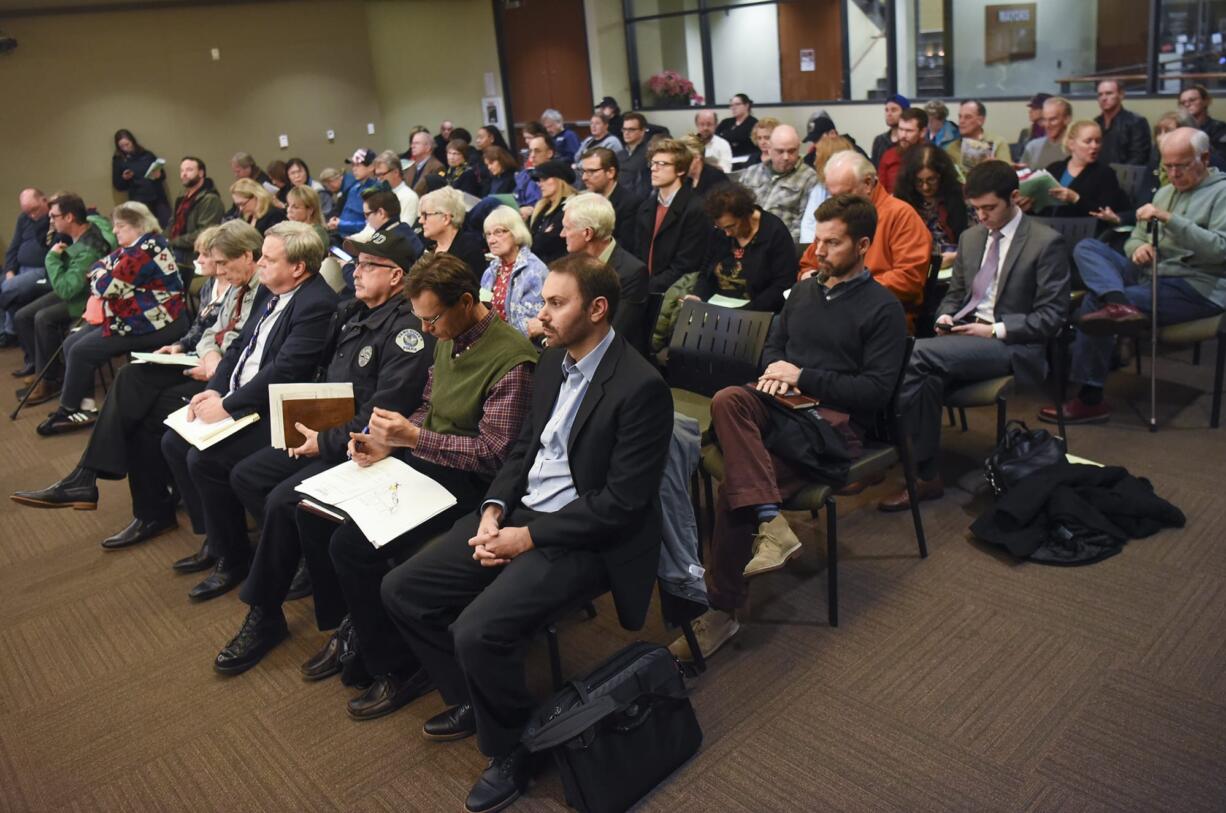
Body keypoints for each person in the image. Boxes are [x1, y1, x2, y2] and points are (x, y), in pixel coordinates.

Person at [384, 253, 673, 813]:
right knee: (402, 590)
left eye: (554, 303)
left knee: (475, 631)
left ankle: (513, 747)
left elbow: (621, 505)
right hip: (519, 511)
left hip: (583, 534)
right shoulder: (551, 362)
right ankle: (477, 697)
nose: (541, 314)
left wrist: (527, 539)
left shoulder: (640, 387)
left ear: (597, 308)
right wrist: (494, 509)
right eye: (542, 301)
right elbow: (523, 451)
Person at [302, 251, 537, 720]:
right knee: (321, 514)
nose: (427, 331)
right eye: (422, 320)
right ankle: (362, 631)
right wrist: (390, 442)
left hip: (474, 486)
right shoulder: (450, 334)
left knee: (352, 545)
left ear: (466, 302)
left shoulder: (512, 360)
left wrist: (414, 439)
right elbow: (429, 403)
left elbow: (495, 455)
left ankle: (399, 664)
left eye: (432, 320)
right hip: (433, 462)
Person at [673, 194, 907, 660]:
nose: (819, 251)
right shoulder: (802, 292)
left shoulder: (883, 309)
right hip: (779, 409)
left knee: (735, 493)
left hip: (831, 426)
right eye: (817, 240)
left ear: (863, 245)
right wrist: (776, 373)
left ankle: (723, 611)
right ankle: (772, 520)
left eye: (833, 243)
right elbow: (769, 351)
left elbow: (875, 393)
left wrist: (803, 377)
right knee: (730, 397)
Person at [211, 231, 435, 676]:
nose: (355, 270)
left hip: (366, 448)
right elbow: (319, 375)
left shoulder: (408, 330)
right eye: (356, 262)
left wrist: (326, 442)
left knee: (283, 501)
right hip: (328, 430)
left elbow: (384, 416)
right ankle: (306, 567)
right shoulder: (352, 311)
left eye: (368, 264)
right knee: (248, 474)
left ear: (396, 276)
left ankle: (269, 613)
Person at [10, 222, 262, 555]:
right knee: (130, 377)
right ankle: (87, 479)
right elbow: (209, 330)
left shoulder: (257, 287)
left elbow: (243, 344)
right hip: (205, 362)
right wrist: (195, 350)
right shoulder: (230, 283)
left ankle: (140, 507)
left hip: (226, 379)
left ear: (246, 256)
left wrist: (212, 361)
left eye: (218, 261)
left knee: (144, 414)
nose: (212, 267)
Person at [161, 221, 339, 601]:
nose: (258, 263)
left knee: (205, 460)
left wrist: (226, 406)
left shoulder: (317, 303)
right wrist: (212, 391)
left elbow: (287, 371)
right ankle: (216, 536)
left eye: (268, 258)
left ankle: (235, 557)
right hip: (243, 396)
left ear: (297, 268)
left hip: (280, 409)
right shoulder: (271, 290)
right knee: (174, 444)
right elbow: (240, 345)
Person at [881, 160, 1070, 510]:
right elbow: (956, 295)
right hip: (965, 337)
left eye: (989, 208)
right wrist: (945, 316)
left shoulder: (1046, 243)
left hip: (1011, 344)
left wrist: (994, 329)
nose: (981, 217)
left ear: (1014, 197)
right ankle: (925, 474)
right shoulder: (971, 238)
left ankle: (886, 455)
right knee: (924, 375)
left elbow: (1053, 317)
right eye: (975, 209)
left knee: (913, 354)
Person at [1044, 128, 1226, 426]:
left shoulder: (1221, 193)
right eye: (1167, 166)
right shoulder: (1166, 192)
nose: (1172, 174)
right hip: (1149, 275)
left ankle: (1090, 400)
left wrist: (1170, 219)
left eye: (1180, 165)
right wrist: (1138, 246)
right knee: (1089, 247)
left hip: (1196, 285)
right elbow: (1134, 237)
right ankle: (1118, 303)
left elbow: (1220, 250)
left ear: (1204, 158)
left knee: (1093, 302)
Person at [38, 202, 190, 436]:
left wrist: (103, 277)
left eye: (120, 226)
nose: (115, 231)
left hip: (158, 322)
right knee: (71, 343)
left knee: (80, 351)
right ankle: (85, 407)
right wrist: (104, 274)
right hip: (135, 315)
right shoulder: (134, 246)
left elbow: (105, 287)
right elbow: (98, 266)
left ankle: (68, 409)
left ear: (138, 226)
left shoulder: (146, 248)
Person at [799, 151, 930, 330]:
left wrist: (847, 288)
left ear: (868, 183)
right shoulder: (836, 216)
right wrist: (809, 276)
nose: (839, 201)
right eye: (833, 195)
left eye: (845, 193)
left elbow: (909, 279)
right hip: (828, 308)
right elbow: (808, 265)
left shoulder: (901, 215)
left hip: (879, 315)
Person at [13, 194, 116, 406]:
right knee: (22, 316)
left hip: (86, 301)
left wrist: (52, 258)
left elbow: (67, 290)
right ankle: (46, 369)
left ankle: (49, 381)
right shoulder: (87, 224)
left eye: (54, 216)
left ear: (69, 217)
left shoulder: (88, 249)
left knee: (43, 318)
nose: (51, 220)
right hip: (75, 292)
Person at [561, 192, 649, 350]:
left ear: (587, 233)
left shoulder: (632, 272)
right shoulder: (571, 263)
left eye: (567, 228)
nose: (562, 234)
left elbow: (613, 333)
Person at [690, 184, 796, 312]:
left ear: (746, 214)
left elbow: (783, 285)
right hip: (717, 305)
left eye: (731, 226)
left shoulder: (774, 232)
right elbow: (706, 272)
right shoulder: (719, 232)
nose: (727, 233)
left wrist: (744, 311)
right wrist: (697, 295)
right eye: (721, 227)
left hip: (757, 310)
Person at [635, 138, 711, 293]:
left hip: (675, 292)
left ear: (681, 170)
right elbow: (637, 254)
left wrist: (646, 288)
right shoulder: (646, 207)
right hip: (644, 288)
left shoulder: (697, 209)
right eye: (652, 163)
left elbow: (686, 265)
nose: (654, 169)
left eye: (662, 164)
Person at [1028, 120, 1128, 224]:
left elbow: (1104, 214)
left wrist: (1076, 199)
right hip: (1047, 228)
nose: (1094, 146)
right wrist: (1029, 207)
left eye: (1098, 141)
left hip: (1081, 231)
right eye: (1088, 141)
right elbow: (1042, 210)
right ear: (1071, 144)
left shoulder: (1105, 173)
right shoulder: (1054, 168)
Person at [893, 143, 969, 270]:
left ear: (942, 176)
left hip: (953, 266)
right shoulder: (901, 200)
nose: (925, 187)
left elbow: (978, 239)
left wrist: (957, 256)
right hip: (912, 267)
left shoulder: (961, 196)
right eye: (919, 181)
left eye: (931, 180)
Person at [740, 124, 819, 243]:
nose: (786, 157)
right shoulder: (751, 173)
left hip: (779, 244)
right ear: (769, 149)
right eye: (780, 151)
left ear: (798, 148)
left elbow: (804, 226)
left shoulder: (810, 178)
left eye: (792, 151)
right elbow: (735, 209)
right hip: (744, 240)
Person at [482, 205, 548, 340]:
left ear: (516, 232)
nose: (491, 240)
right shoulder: (490, 271)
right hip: (492, 343)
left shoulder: (534, 271)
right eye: (488, 234)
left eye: (498, 232)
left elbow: (529, 327)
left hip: (521, 348)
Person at [1, 189, 50, 352]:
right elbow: (13, 248)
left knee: (8, 288)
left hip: (41, 271)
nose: (32, 216)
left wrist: (11, 281)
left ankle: (10, 333)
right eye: (27, 212)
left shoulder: (53, 218)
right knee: (7, 284)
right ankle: (5, 334)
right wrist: (9, 272)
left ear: (44, 200)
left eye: (34, 210)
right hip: (21, 269)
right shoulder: (24, 218)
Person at [166, 156, 224, 272]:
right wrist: (162, 239)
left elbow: (204, 234)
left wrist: (172, 242)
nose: (184, 174)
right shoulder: (182, 197)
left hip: (193, 252)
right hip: (176, 246)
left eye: (189, 170)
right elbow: (172, 224)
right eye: (182, 171)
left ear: (201, 173)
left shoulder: (210, 199)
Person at [578, 146, 640, 252]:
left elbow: (624, 245)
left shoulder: (630, 203)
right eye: (583, 171)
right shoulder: (583, 200)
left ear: (611, 172)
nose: (584, 177)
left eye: (591, 171)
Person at [418, 186, 487, 280]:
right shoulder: (428, 246)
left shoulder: (469, 250)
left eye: (425, 215)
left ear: (446, 218)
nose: (420, 221)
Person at [798, 135, 853, 244]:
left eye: (818, 157)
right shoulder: (819, 188)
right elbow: (808, 224)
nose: (814, 163)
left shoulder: (851, 190)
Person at [111, 129, 170, 226]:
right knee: (147, 229)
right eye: (122, 146)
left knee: (167, 224)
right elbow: (118, 185)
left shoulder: (147, 154)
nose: (125, 148)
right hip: (139, 200)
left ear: (132, 141)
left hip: (158, 196)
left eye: (127, 144)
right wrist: (125, 178)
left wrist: (159, 175)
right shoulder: (119, 160)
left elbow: (162, 175)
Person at [528, 159, 576, 264]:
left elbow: (544, 243)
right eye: (539, 180)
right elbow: (528, 238)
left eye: (544, 179)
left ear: (560, 180)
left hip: (561, 265)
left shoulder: (572, 206)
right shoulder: (542, 206)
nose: (540, 184)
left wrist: (537, 238)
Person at [945, 100, 1011, 173]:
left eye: (967, 117)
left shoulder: (998, 142)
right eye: (960, 116)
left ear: (981, 120)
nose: (961, 121)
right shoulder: (951, 148)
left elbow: (1007, 175)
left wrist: (995, 166)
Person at [1096, 81, 1152, 167]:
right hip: (1097, 175)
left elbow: (1140, 157)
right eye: (1100, 94)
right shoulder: (1096, 123)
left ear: (1121, 95)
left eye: (1109, 93)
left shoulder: (1136, 122)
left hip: (1125, 176)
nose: (1104, 98)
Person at [878, 108, 928, 194]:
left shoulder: (931, 157)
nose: (903, 135)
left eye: (909, 131)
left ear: (922, 132)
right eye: (900, 129)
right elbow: (880, 191)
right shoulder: (889, 156)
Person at [332, 149, 379, 238]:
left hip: (358, 240)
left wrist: (341, 224)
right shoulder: (353, 188)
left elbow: (370, 225)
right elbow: (346, 213)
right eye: (353, 165)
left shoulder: (376, 191)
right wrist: (337, 221)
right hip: (340, 235)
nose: (354, 169)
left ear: (371, 167)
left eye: (358, 165)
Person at [1022, 96, 1073, 169]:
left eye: (1053, 119)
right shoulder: (1033, 147)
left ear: (1067, 119)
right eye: (1044, 120)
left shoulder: (1078, 148)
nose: (1047, 125)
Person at [1178, 85, 1226, 161]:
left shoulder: (1219, 128)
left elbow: (1221, 159)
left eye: (1192, 100)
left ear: (1205, 101)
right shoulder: (1177, 129)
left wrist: (1192, 126)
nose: (1187, 105)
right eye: (1183, 103)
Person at [373, 149, 420, 225]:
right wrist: (352, 237)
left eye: (382, 174)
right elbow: (370, 228)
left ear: (396, 172)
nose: (379, 179)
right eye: (377, 175)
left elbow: (405, 229)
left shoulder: (409, 197)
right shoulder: (379, 196)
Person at [680, 133, 730, 199]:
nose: (680, 163)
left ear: (697, 157)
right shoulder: (685, 179)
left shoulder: (716, 179)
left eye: (683, 159)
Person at [716, 93, 759, 163]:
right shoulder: (726, 122)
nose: (733, 107)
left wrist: (723, 135)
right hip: (725, 159)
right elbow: (715, 137)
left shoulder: (754, 123)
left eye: (737, 104)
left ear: (746, 105)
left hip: (745, 160)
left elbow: (738, 137)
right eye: (731, 105)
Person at [871, 94, 910, 166]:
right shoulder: (879, 140)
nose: (889, 114)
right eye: (886, 110)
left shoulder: (909, 140)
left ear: (905, 112)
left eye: (894, 110)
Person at [619, 112, 652, 196]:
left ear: (642, 131)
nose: (626, 133)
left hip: (640, 200)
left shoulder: (650, 153)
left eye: (631, 129)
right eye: (624, 129)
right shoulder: (619, 154)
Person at [405, 131, 446, 197]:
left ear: (428, 147)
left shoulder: (437, 167)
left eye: (417, 143)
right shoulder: (410, 167)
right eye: (412, 143)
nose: (412, 146)